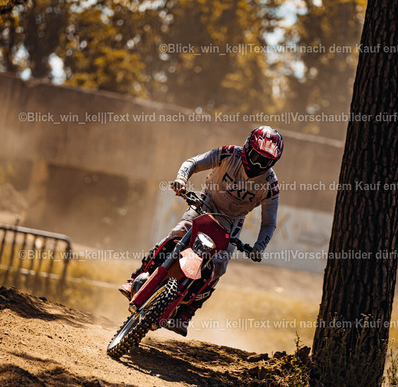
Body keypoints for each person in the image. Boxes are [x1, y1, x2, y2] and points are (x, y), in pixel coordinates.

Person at [119, 126, 283, 336]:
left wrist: (259, 247)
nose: (258, 164)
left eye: (265, 161)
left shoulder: (270, 184)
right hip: (205, 204)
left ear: (273, 162)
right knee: (178, 233)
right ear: (246, 148)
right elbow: (193, 162)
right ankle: (136, 277)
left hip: (231, 222)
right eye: (255, 157)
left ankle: (185, 314)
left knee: (219, 267)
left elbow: (269, 223)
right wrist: (181, 179)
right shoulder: (228, 153)